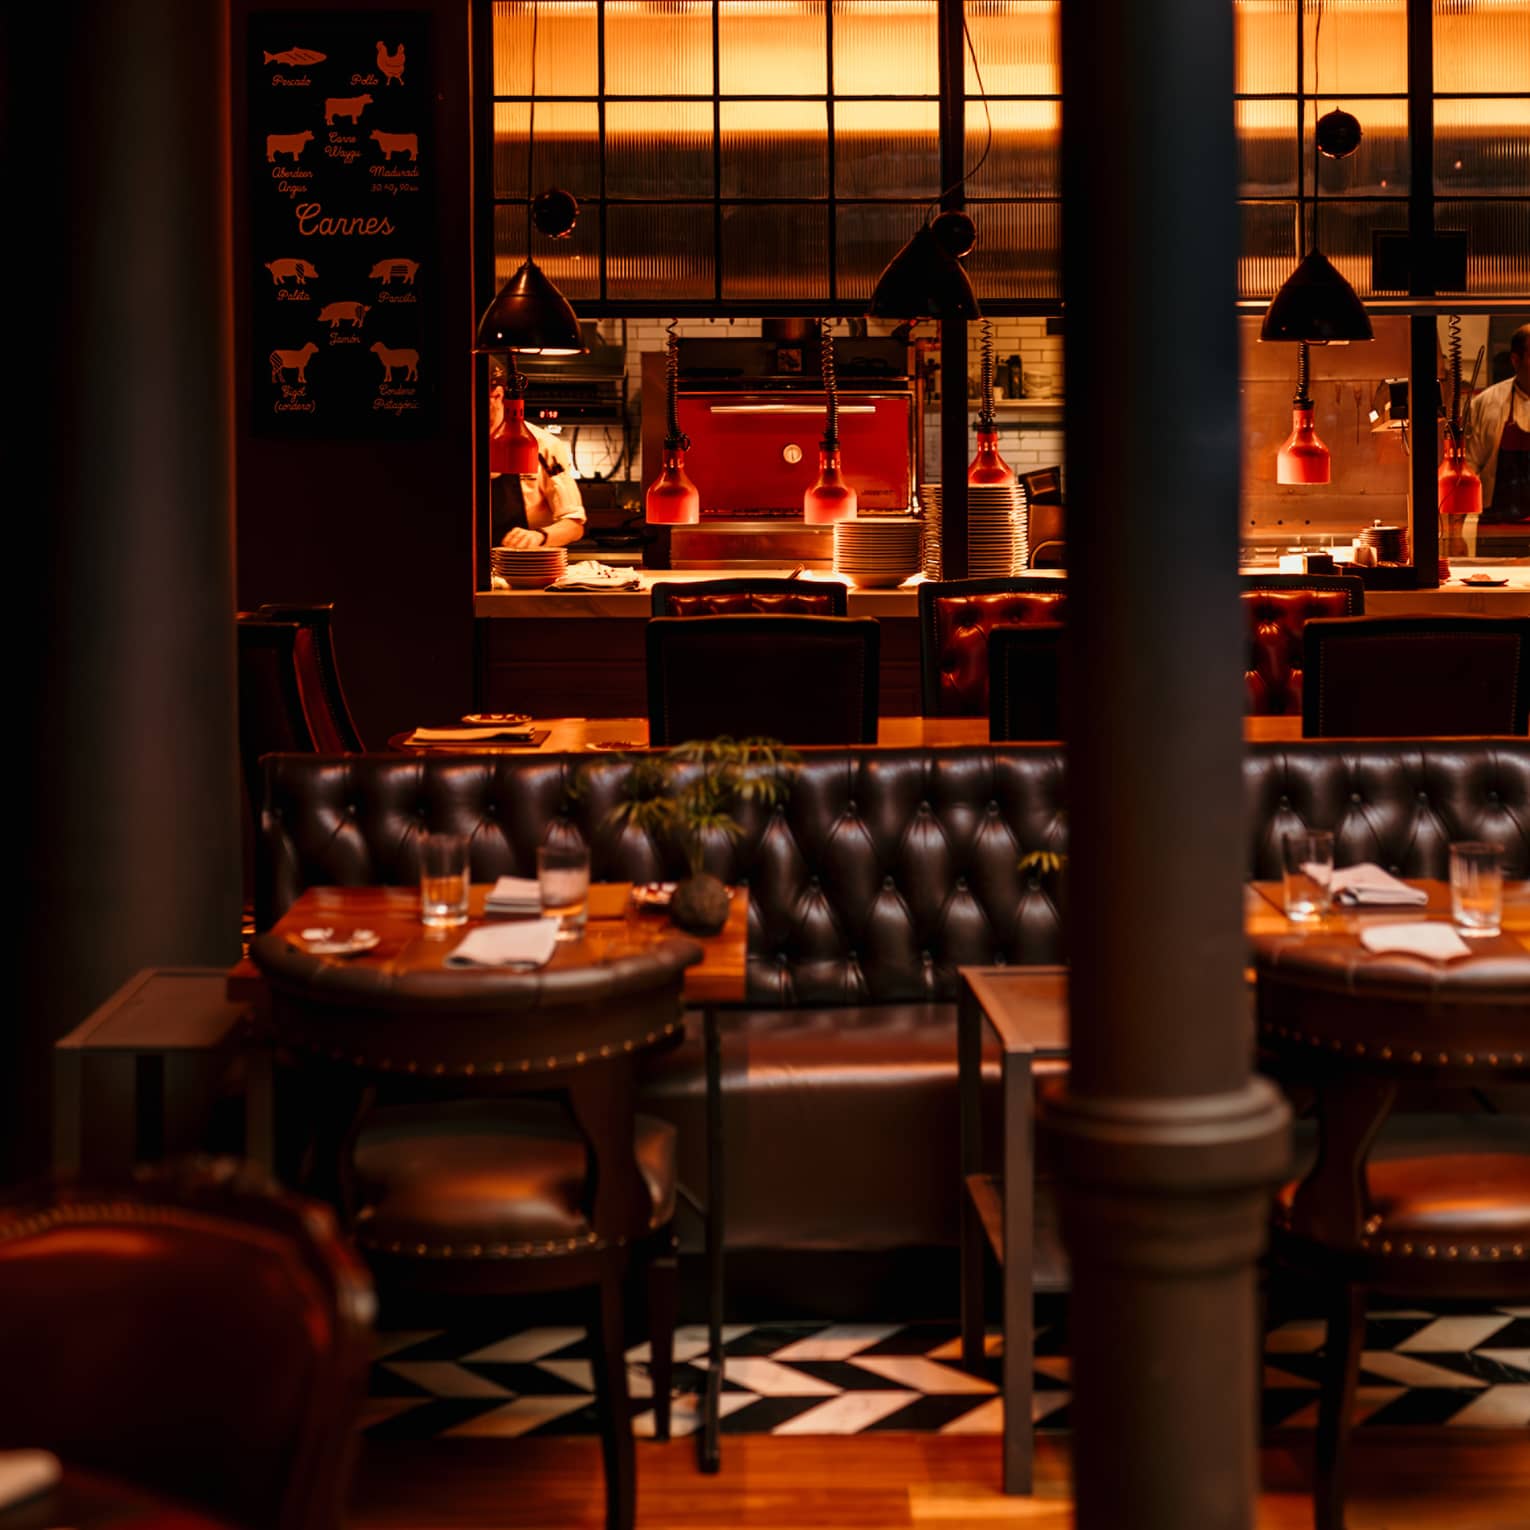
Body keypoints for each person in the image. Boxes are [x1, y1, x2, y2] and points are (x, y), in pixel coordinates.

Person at [487, 358, 587, 549]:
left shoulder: (543, 446)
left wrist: (539, 537)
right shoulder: (457, 446)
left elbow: (574, 525)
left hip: (525, 569)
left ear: (498, 395)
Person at [1464, 322, 1530, 557]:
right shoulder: (1487, 402)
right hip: (1497, 532)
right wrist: (1452, 530)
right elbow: (1468, 467)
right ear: (1515, 360)